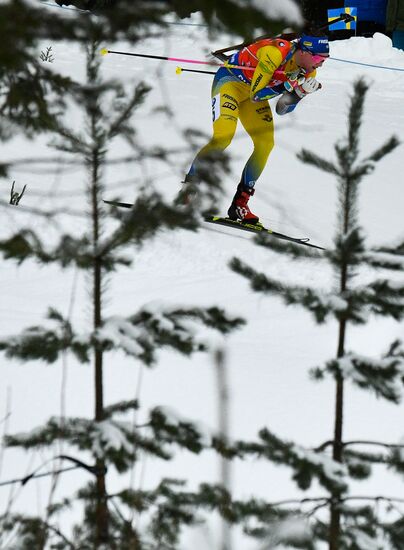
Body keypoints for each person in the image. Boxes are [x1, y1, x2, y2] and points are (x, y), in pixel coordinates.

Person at [183, 33, 329, 224]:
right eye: (318, 58)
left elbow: (281, 109)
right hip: (230, 84)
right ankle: (188, 192)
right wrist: (287, 85)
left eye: (325, 60)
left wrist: (300, 93)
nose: (320, 64)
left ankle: (240, 204)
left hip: (252, 95)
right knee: (223, 137)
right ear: (303, 51)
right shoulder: (275, 53)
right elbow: (257, 94)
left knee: (265, 144)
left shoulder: (309, 71)